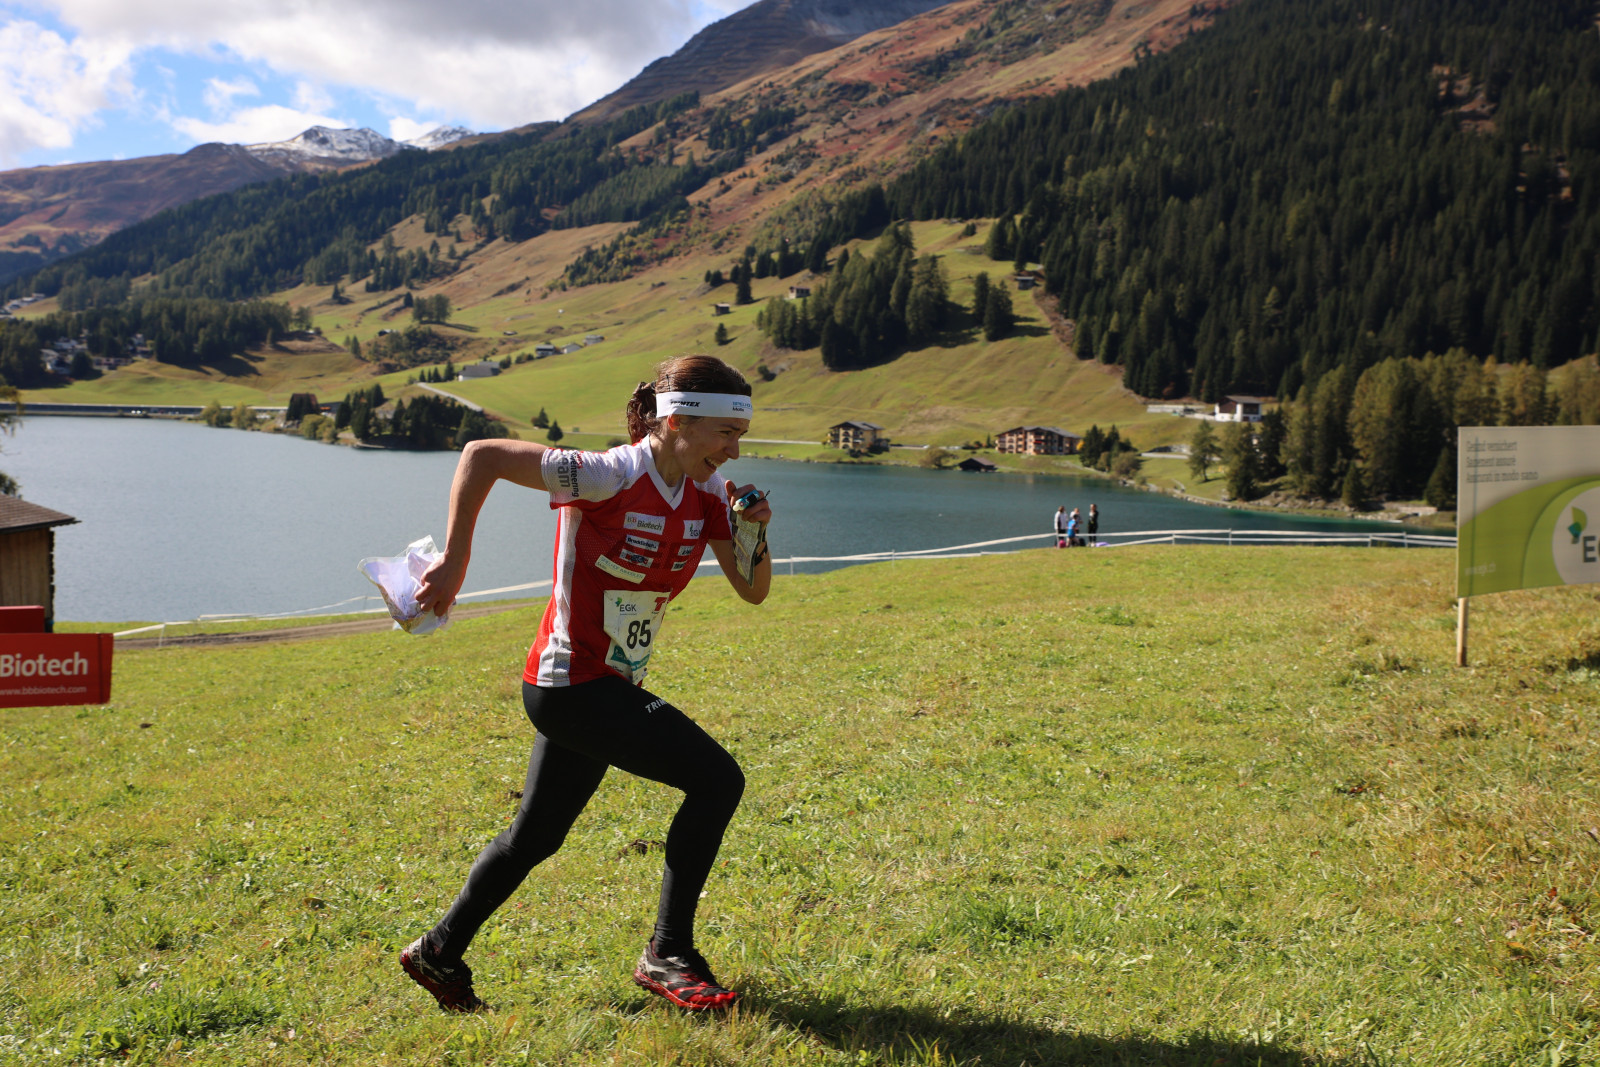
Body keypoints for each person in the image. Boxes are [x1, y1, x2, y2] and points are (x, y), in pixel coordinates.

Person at [399, 354, 773, 1014]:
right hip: (570, 683)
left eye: (739, 436)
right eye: (725, 433)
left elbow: (754, 590)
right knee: (717, 780)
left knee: (534, 837)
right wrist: (455, 560)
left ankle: (439, 950)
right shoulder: (607, 474)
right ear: (678, 422)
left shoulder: (708, 495)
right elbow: (482, 455)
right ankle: (668, 952)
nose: (733, 451)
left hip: (604, 687)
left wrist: (753, 532)